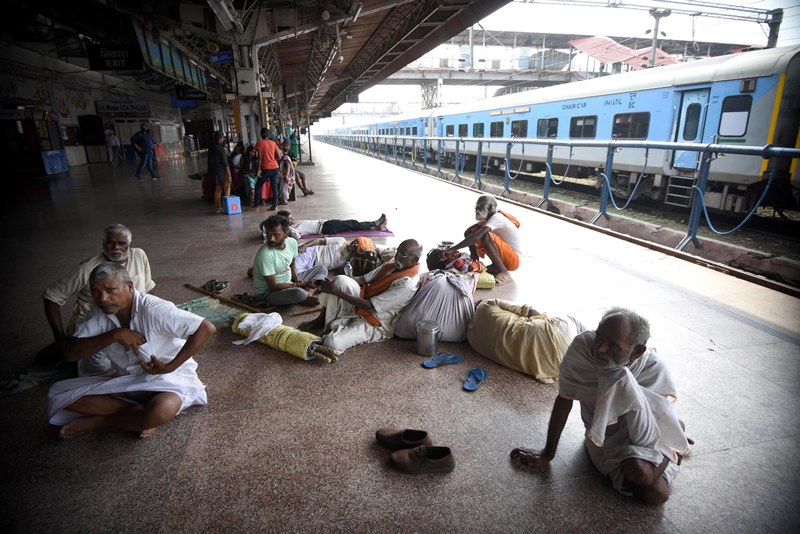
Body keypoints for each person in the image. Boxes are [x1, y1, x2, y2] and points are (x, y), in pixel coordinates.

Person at [510, 308, 691, 505]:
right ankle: (674, 449)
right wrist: (547, 454)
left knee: (654, 492)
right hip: (603, 436)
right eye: (599, 337)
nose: (600, 349)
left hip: (651, 436)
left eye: (613, 345)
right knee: (642, 480)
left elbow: (662, 415)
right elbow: (565, 398)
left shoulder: (654, 369)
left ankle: (673, 448)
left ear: (636, 351)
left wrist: (665, 440)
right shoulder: (582, 349)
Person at [47, 263, 215, 439]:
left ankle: (103, 421)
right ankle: (136, 417)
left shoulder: (154, 309)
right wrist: (114, 335)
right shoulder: (99, 312)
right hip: (128, 382)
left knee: (160, 410)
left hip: (170, 381)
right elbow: (70, 353)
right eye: (96, 292)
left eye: (111, 290)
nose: (103, 298)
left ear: (129, 286)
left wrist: (170, 367)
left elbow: (206, 328)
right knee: (60, 397)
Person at [39, 224, 155, 369]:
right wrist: (59, 338)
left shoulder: (139, 255)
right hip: (94, 325)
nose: (115, 247)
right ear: (102, 244)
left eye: (121, 243)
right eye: (110, 243)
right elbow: (52, 295)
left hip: (130, 319)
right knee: (98, 366)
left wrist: (152, 313)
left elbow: (148, 287)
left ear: (130, 244)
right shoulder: (88, 268)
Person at [298, 239, 422, 355]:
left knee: (331, 343)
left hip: (377, 321)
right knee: (340, 280)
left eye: (403, 255)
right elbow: (362, 279)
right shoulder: (393, 264)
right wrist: (331, 283)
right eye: (398, 252)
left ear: (414, 260)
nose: (397, 256)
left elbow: (370, 306)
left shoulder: (407, 284)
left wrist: (335, 291)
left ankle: (337, 326)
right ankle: (321, 321)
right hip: (365, 299)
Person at [466, 299, 589, 383]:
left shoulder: (471, 338)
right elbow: (530, 311)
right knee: (572, 321)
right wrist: (541, 320)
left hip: (556, 367)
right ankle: (597, 340)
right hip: (558, 333)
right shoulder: (488, 304)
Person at [444, 195, 521, 285]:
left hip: (513, 261)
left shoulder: (497, 218)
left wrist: (452, 249)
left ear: (490, 207)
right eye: (477, 206)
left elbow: (477, 236)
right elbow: (468, 232)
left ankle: (504, 272)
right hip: (506, 257)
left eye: (480, 206)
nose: (477, 209)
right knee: (472, 231)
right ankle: (496, 266)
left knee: (484, 235)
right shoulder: (488, 219)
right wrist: (473, 254)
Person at [252, 214, 327, 306]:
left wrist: (297, 280)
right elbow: (273, 286)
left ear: (286, 234)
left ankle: (309, 294)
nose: (271, 239)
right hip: (270, 292)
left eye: (276, 235)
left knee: (322, 268)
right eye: (268, 235)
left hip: (289, 281)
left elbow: (292, 265)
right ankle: (307, 294)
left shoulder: (292, 242)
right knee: (298, 293)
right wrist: (301, 285)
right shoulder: (265, 255)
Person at [277, 210, 388, 237]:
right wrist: (289, 232)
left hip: (326, 223)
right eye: (290, 219)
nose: (292, 220)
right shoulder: (290, 228)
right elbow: (296, 236)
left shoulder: (293, 224)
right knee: (353, 224)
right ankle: (376, 223)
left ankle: (375, 225)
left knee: (352, 224)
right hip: (326, 227)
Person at [249, 128, 283, 211]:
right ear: (268, 135)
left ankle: (256, 206)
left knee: (258, 185)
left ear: (260, 135)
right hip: (275, 167)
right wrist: (273, 160)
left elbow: (259, 157)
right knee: (274, 186)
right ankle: (274, 205)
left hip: (266, 168)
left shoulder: (259, 143)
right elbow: (279, 156)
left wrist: (259, 169)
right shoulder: (273, 143)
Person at [208, 130, 232, 214]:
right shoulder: (221, 149)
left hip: (214, 172)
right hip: (222, 172)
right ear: (220, 139)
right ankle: (228, 205)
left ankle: (218, 207)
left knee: (218, 190)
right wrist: (229, 174)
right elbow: (225, 163)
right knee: (227, 188)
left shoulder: (211, 148)